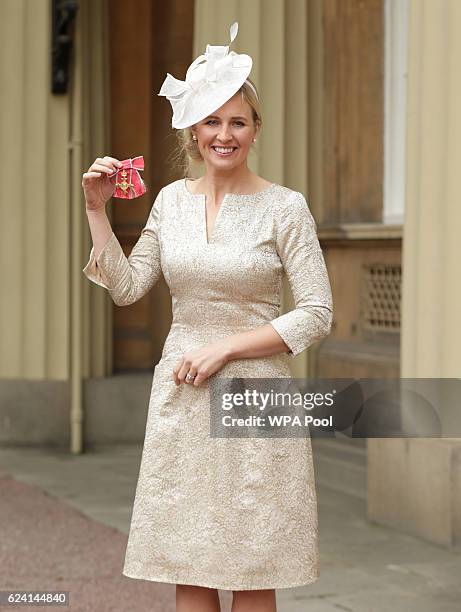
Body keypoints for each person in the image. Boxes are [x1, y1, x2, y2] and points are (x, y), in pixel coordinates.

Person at [82, 21, 333, 612]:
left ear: (255, 130)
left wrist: (227, 348)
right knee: (189, 562)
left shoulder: (285, 208)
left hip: (256, 394)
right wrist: (97, 212)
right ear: (193, 130)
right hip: (182, 395)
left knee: (252, 566)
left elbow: (318, 314)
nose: (225, 134)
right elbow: (128, 288)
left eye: (237, 121)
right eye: (212, 121)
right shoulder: (169, 201)